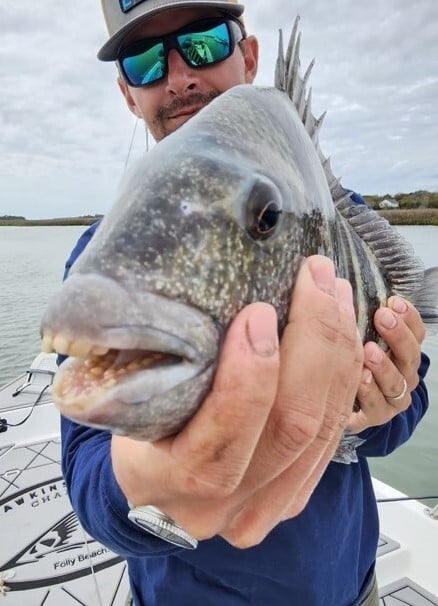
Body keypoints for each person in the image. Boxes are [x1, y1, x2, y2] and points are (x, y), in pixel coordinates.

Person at [60, 1, 429, 605]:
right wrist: (142, 488)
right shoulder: (102, 260)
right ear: (129, 95)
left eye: (201, 42)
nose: (179, 75)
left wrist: (382, 407)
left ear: (249, 56)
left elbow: (409, 398)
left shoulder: (335, 215)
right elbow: (88, 468)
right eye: (147, 60)